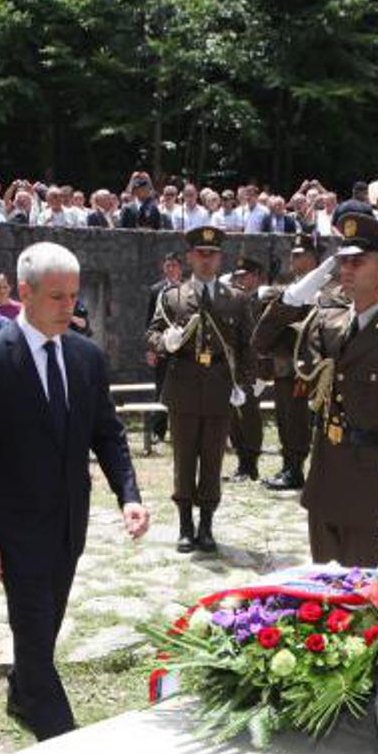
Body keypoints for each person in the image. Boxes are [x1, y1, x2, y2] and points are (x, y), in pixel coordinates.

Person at [0, 242, 148, 740]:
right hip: (13, 529)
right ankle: (58, 733)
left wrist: (129, 495)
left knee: (46, 622)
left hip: (68, 523)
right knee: (34, 627)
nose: (68, 306)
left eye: (74, 296)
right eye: (57, 296)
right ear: (25, 292)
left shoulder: (85, 357)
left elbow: (107, 433)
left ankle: (23, 690)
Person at [266, 213, 378, 565]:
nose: (345, 269)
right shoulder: (328, 323)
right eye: (342, 261)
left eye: (357, 262)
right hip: (325, 482)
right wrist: (303, 289)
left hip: (373, 492)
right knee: (323, 589)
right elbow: (265, 340)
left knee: (364, 595)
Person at [146, 225, 254, 554]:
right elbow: (152, 333)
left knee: (212, 458)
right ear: (190, 257)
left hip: (220, 386)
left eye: (212, 254)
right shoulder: (173, 297)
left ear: (220, 259)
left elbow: (246, 345)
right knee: (183, 458)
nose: (206, 260)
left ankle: (206, 525)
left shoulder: (236, 298)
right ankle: (185, 525)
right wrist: (165, 341)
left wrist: (244, 384)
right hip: (183, 385)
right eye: (200, 254)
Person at [254, 233, 329, 491]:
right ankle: (290, 467)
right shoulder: (288, 288)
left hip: (310, 368)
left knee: (301, 420)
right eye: (292, 254)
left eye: (299, 255)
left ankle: (299, 469)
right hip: (285, 365)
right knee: (286, 418)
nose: (293, 259)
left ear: (314, 258)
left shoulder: (325, 289)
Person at [226, 255, 268, 482]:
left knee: (250, 414)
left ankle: (251, 464)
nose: (240, 280)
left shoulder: (264, 301)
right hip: (236, 367)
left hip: (258, 371)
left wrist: (262, 373)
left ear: (256, 277)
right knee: (234, 415)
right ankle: (242, 461)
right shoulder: (234, 301)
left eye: (245, 276)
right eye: (238, 276)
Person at [144, 253, 182, 444]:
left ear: (180, 268)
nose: (171, 269)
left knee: (184, 387)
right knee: (162, 388)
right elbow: (150, 322)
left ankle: (180, 429)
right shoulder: (156, 290)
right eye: (168, 265)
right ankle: (158, 432)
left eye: (174, 265)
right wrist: (151, 349)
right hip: (163, 346)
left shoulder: (187, 289)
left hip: (183, 347)